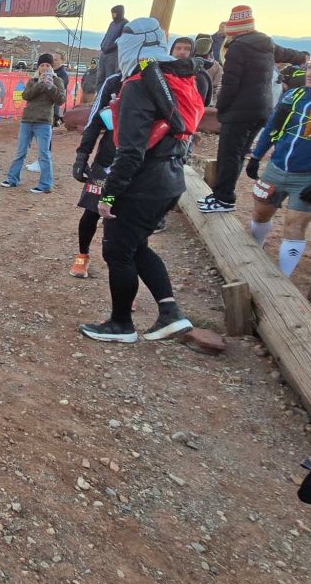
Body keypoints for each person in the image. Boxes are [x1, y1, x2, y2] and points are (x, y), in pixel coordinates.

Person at [78, 18, 205, 343]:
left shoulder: (139, 84)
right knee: (138, 247)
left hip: (143, 182)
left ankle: (121, 324)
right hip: (169, 177)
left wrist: (108, 196)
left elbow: (131, 151)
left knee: (118, 251)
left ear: (132, 47)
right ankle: (170, 313)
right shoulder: (173, 78)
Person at [198, 5, 307, 214]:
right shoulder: (266, 43)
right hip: (262, 109)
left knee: (228, 155)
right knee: (238, 155)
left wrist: (221, 109)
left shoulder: (237, 47)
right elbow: (292, 55)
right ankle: (222, 195)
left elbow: (230, 83)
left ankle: (223, 199)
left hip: (239, 111)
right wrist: (303, 60)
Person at [246, 58, 311, 277]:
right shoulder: (293, 95)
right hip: (276, 169)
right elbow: (271, 127)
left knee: (294, 226)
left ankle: (282, 279)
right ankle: (254, 254)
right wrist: (256, 156)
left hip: (308, 177)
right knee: (260, 215)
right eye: (310, 67)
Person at [69, 67, 122, 277]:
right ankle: (82, 255)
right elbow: (94, 121)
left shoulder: (158, 80)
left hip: (136, 166)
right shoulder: (114, 81)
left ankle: (122, 267)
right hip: (107, 162)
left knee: (122, 216)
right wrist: (82, 156)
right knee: (92, 211)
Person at [0, 54, 64, 193]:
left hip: (44, 122)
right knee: (20, 152)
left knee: (44, 154)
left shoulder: (57, 81)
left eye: (48, 65)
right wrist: (39, 85)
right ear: (38, 67)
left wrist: (51, 87)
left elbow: (60, 100)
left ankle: (45, 184)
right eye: (42, 65)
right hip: (27, 120)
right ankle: (12, 179)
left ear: (52, 67)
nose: (45, 68)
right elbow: (26, 95)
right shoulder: (33, 81)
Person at [169, 36, 213, 106]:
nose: (182, 52)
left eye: (187, 49)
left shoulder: (199, 74)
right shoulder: (165, 69)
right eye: (178, 48)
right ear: (171, 50)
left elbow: (199, 104)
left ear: (193, 51)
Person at [96, 5, 129, 83]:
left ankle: (109, 90)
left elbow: (122, 39)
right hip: (104, 52)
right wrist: (102, 44)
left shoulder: (125, 24)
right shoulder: (112, 23)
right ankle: (99, 90)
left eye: (114, 13)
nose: (112, 15)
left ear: (119, 13)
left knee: (109, 76)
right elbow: (107, 35)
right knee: (100, 75)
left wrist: (111, 47)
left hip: (113, 54)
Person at [193, 34, 221, 104]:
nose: (204, 45)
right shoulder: (187, 62)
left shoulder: (216, 66)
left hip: (206, 102)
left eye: (207, 43)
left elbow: (216, 87)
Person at [53, 52, 70, 125]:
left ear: (62, 61)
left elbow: (58, 93)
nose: (53, 62)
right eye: (53, 59)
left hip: (53, 109)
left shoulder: (63, 75)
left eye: (56, 60)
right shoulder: (50, 70)